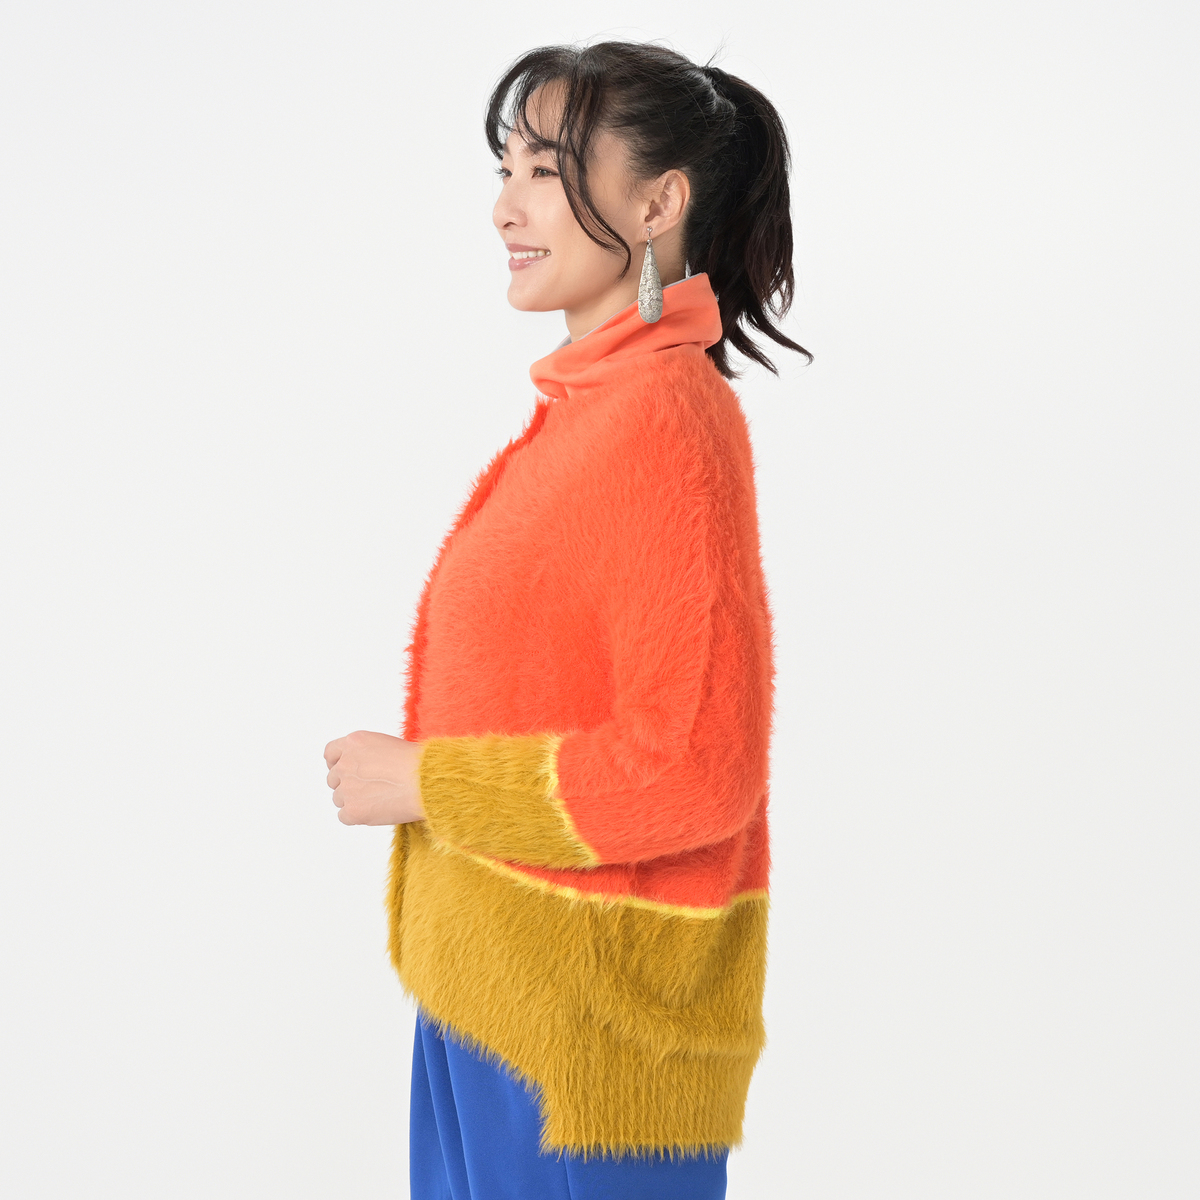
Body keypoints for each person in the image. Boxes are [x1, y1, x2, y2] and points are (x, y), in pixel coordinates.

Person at [323, 39, 811, 1200]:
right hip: (498, 1010)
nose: (506, 208)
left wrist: (423, 781)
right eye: (505, 171)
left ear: (657, 203)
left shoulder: (661, 420)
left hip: (586, 1054)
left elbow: (693, 769)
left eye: (545, 171)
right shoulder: (595, 414)